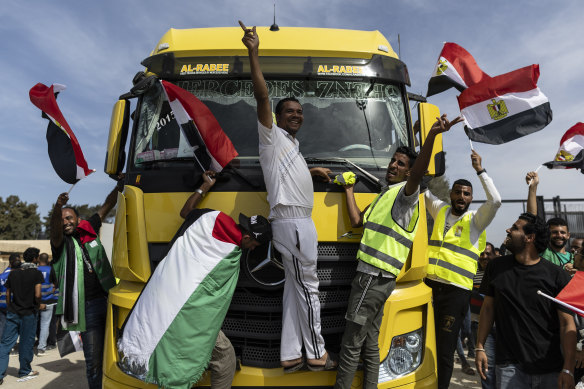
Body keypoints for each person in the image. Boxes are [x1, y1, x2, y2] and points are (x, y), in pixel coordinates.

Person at [334, 115, 462, 388]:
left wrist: (431, 137)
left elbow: (419, 173)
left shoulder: (406, 196)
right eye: (393, 160)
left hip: (372, 277)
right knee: (370, 344)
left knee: (350, 344)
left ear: (408, 173)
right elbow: (358, 222)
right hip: (379, 280)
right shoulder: (385, 195)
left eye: (401, 164)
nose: (393, 165)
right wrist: (348, 189)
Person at [240, 20, 336, 371]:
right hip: (293, 223)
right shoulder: (272, 137)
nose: (296, 115)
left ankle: (291, 355)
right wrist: (254, 53)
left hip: (298, 222)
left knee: (294, 292)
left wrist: (312, 172)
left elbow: (287, 175)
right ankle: (317, 354)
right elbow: (262, 95)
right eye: (289, 111)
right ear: (276, 118)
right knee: (309, 288)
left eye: (299, 112)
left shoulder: (293, 147)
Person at [118, 171, 271, 389]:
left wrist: (204, 187)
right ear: (247, 238)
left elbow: (185, 211)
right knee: (224, 355)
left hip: (163, 295)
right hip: (187, 312)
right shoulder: (231, 254)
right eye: (254, 246)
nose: (252, 250)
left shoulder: (210, 217)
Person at [425, 150, 501, 389]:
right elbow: (420, 187)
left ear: (471, 198)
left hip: (455, 294)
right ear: (450, 194)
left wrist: (480, 170)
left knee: (446, 350)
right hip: (428, 287)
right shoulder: (440, 210)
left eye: (466, 194)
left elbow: (496, 201)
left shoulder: (476, 221)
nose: (461, 196)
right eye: (457, 192)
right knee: (422, 342)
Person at [476, 213, 576, 389]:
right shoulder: (496, 267)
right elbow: (488, 310)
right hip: (509, 366)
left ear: (530, 237)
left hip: (550, 368)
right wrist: (479, 347)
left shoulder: (557, 276)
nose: (508, 230)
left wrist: (568, 368)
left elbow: (567, 324)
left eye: (515, 228)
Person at [49, 181, 120, 389]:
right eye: (62, 220)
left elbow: (107, 205)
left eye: (68, 218)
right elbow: (54, 230)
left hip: (109, 300)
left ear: (77, 219)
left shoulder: (89, 229)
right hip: (87, 309)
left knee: (117, 354)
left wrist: (120, 184)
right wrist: (57, 207)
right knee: (94, 362)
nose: (65, 223)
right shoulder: (59, 244)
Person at [0, 247, 44, 384]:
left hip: (13, 312)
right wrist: (39, 304)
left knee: (5, 344)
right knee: (26, 343)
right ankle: (24, 371)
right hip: (29, 313)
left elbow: (8, 294)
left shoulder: (13, 273)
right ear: (35, 258)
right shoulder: (36, 273)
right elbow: (37, 294)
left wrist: (10, 307)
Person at [526, 171, 575, 273]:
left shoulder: (576, 258)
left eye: (562, 232)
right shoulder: (543, 251)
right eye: (554, 232)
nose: (559, 235)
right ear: (547, 234)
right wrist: (533, 188)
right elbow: (531, 219)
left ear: (568, 235)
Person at [470, 242, 497, 389]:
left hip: (500, 325)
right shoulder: (474, 271)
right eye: (482, 254)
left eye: (488, 253)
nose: (485, 257)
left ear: (494, 255)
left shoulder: (501, 272)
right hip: (477, 321)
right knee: (487, 365)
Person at [36, 253, 58, 356]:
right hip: (49, 301)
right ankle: (41, 348)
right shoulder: (51, 269)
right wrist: (51, 292)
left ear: (38, 259)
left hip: (36, 301)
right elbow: (56, 283)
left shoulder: (35, 270)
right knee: (46, 324)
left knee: (35, 324)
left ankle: (34, 343)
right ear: (47, 259)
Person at [0, 254, 21, 342]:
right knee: (13, 325)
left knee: (2, 325)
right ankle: (11, 345)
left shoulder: (1, 275)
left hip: (1, 304)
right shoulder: (17, 275)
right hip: (13, 304)